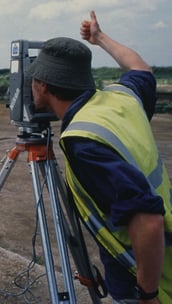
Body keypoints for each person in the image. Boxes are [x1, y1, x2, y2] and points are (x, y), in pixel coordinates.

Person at [27, 10, 171, 304]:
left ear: (42, 86)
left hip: (144, 277)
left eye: (33, 81)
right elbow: (142, 68)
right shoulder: (120, 97)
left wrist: (148, 295)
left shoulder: (83, 141)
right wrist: (99, 38)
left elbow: (148, 222)